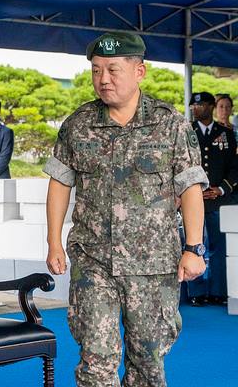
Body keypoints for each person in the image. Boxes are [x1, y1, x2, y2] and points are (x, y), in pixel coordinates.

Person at [44, 32, 207, 387]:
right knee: (95, 361)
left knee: (148, 363)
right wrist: (54, 241)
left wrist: (193, 248)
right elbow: (60, 182)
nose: (103, 79)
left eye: (113, 70)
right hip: (93, 260)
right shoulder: (78, 125)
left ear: (139, 72)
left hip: (153, 265)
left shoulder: (170, 124)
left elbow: (190, 187)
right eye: (96, 70)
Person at [187, 92, 238, 306]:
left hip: (218, 199)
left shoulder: (225, 133)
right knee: (194, 246)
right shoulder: (186, 132)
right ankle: (197, 292)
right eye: (193, 107)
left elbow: (235, 167)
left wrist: (222, 189)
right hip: (193, 200)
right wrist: (192, 190)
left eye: (199, 106)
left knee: (219, 247)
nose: (195, 109)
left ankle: (218, 291)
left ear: (210, 107)